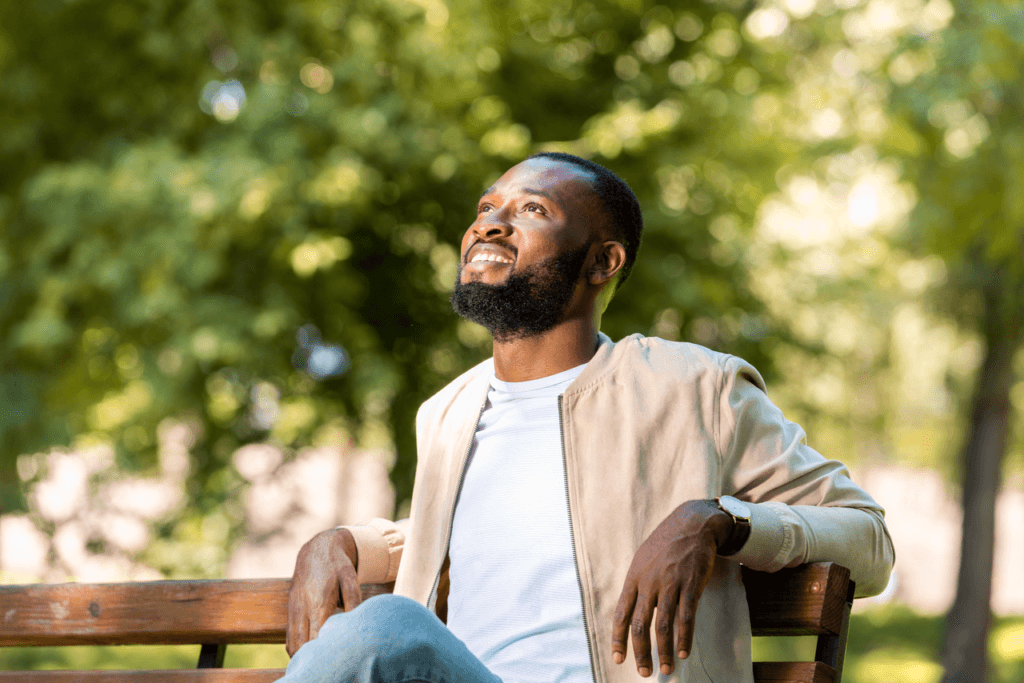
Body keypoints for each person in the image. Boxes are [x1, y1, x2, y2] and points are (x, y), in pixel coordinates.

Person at [278, 153, 895, 683]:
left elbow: (870, 541)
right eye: (487, 207)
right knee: (390, 626)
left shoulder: (694, 388)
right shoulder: (449, 412)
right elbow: (497, 532)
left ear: (603, 262)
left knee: (387, 625)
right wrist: (344, 543)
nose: (490, 224)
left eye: (532, 211)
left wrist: (719, 522)